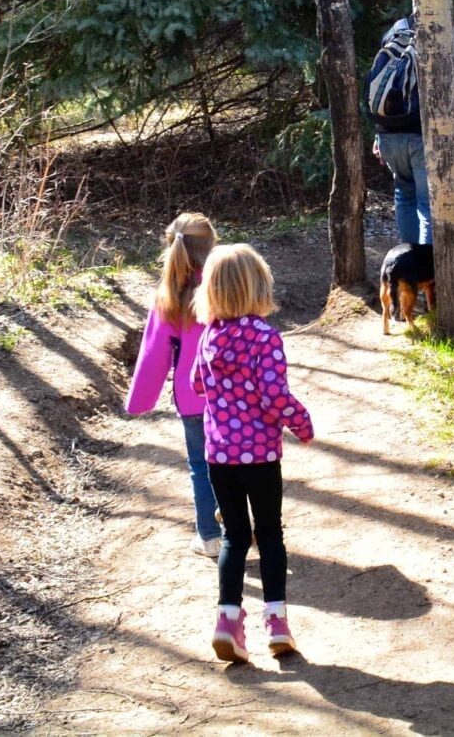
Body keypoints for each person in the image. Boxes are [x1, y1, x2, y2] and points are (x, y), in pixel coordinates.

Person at [192, 243, 315, 663]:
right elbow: (274, 396)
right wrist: (301, 422)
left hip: (219, 455)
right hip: (259, 455)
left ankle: (227, 620)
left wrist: (223, 391)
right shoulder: (264, 336)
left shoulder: (209, 334)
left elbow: (195, 384)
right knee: (270, 534)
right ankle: (276, 621)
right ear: (258, 286)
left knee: (234, 536)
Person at [124, 213, 221, 556]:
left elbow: (153, 353)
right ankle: (242, 527)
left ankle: (209, 537)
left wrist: (139, 401)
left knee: (200, 464)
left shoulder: (167, 295)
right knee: (237, 461)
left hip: (192, 397)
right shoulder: (227, 287)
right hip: (234, 394)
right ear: (212, 247)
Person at [364, 14, 454, 247]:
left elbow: (383, 84)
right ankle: (426, 276)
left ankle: (410, 272)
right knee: (427, 205)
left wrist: (378, 134)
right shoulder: (449, 33)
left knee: (404, 198)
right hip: (422, 135)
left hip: (387, 133)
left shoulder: (396, 31)